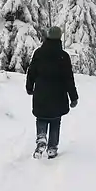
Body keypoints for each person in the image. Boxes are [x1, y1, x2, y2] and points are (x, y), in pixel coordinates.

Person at [25, 26, 79, 159]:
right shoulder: (63, 56)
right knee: (55, 120)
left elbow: (31, 72)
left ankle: (41, 138)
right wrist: (73, 97)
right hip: (58, 95)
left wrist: (29, 87)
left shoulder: (38, 53)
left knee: (41, 117)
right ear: (60, 38)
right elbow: (68, 78)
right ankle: (52, 148)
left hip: (41, 92)